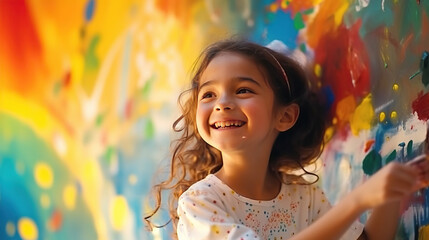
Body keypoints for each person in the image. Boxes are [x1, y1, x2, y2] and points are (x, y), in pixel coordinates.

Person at [145, 38, 429, 239]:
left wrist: (397, 188)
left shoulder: (305, 198)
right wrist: (356, 201)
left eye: (243, 90)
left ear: (285, 117)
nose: (221, 103)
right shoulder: (199, 202)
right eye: (208, 94)